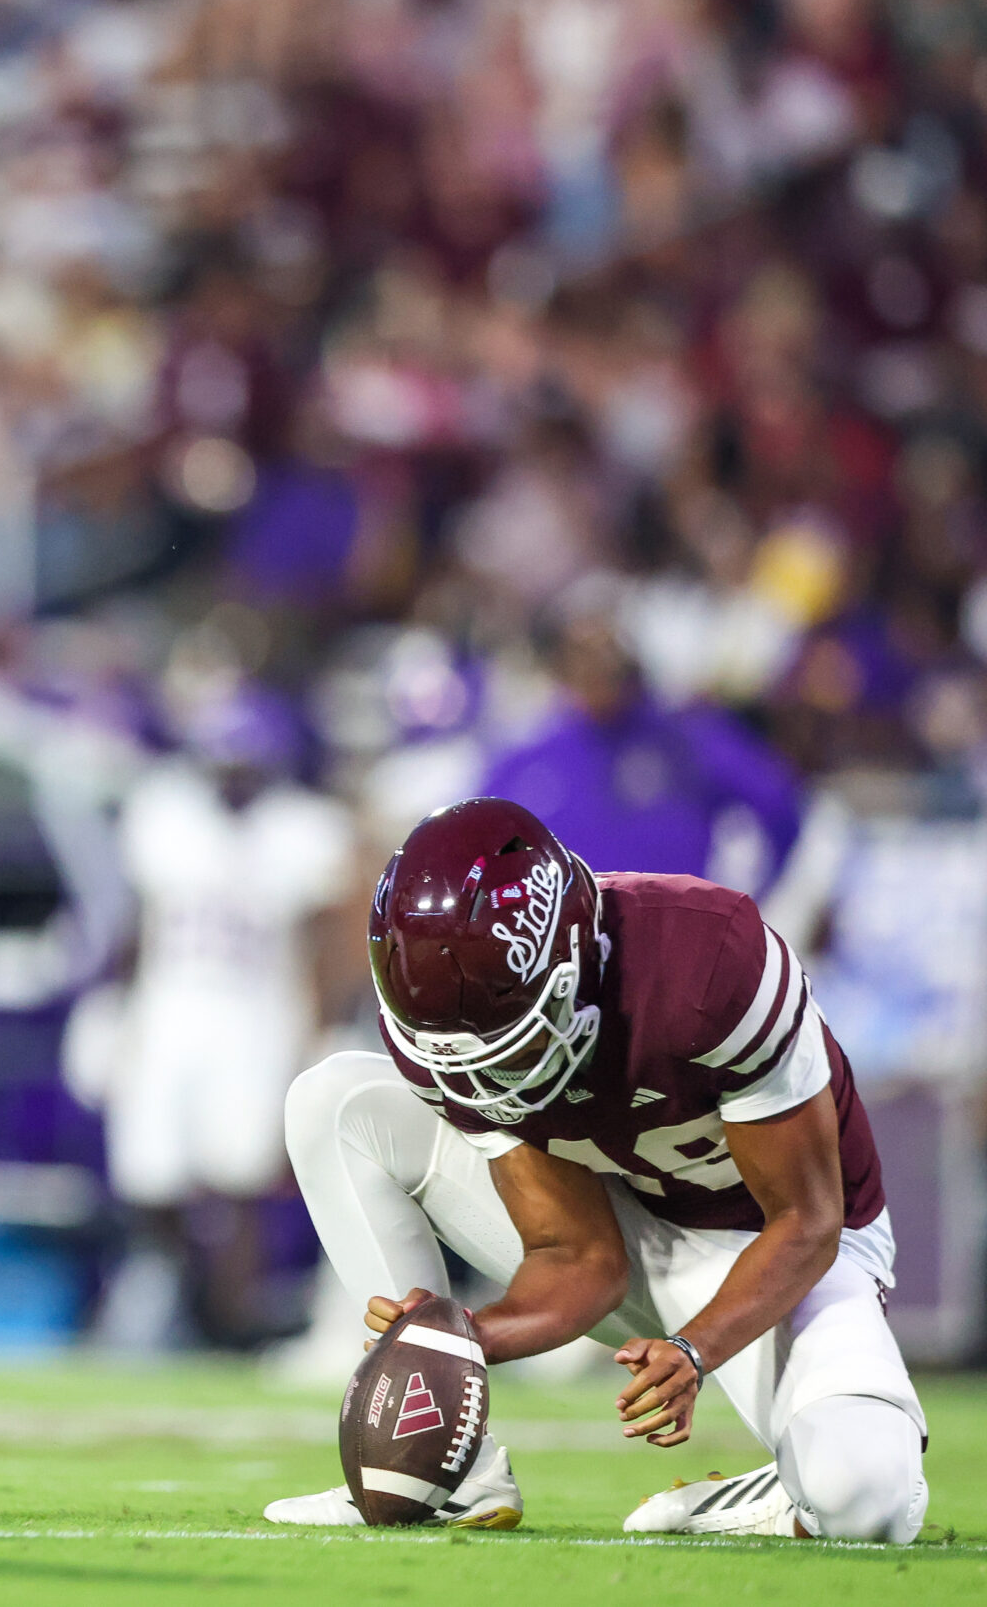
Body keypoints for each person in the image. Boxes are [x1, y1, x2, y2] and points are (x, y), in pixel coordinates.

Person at [264, 797, 927, 1542]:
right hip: (625, 1222)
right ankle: (447, 1471)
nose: (487, 1086)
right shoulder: (449, 1027)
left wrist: (694, 1348)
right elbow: (581, 1256)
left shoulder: (710, 961)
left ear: (571, 966)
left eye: (513, 1046)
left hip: (775, 1245)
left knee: (868, 1499)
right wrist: (450, 1342)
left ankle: (780, 1493)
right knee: (334, 1100)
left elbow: (809, 1221)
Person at [63, 684, 355, 1346]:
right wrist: (111, 1003)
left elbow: (328, 940)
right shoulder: (166, 813)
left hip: (256, 1015)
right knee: (150, 1172)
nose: (233, 779)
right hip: (169, 1009)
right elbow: (137, 921)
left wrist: (323, 1025)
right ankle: (188, 1293)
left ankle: (231, 1320)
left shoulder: (300, 830)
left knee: (240, 1174)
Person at [482, 601, 801, 890]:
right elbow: (480, 852)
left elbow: (779, 802)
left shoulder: (687, 738)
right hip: (571, 947)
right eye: (582, 654)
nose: (599, 666)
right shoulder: (526, 763)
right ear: (559, 667)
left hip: (675, 940)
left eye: (609, 650)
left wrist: (749, 904)